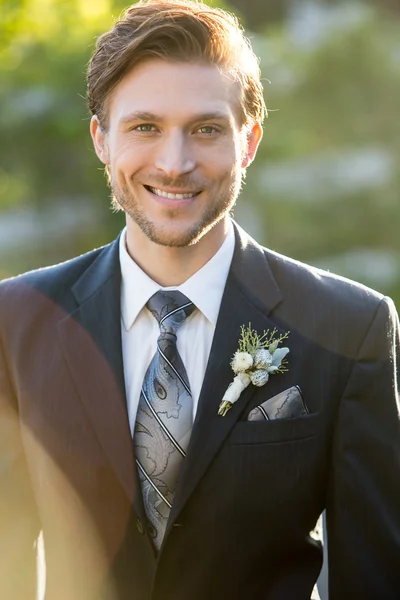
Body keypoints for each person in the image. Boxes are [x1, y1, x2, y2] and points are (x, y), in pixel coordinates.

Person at [0, 0, 399, 598]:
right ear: (101, 139)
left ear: (249, 142)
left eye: (206, 129)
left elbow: (376, 579)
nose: (175, 162)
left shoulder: (352, 326)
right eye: (145, 127)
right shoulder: (15, 322)